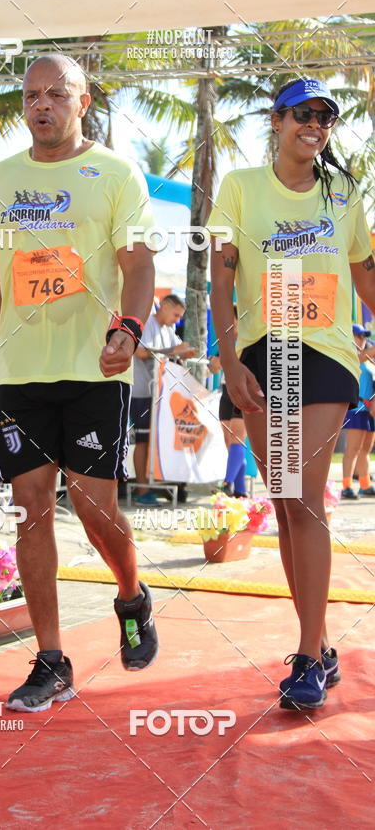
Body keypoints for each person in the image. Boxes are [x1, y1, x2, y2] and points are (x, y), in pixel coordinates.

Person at [0, 53, 159, 712]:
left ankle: (131, 594)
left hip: (92, 368)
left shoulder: (116, 173)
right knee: (31, 511)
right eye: (31, 96)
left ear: (82, 101)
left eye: (56, 95)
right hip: (22, 375)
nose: (41, 106)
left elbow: (136, 262)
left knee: (98, 512)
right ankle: (51, 660)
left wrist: (127, 326)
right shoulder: (0, 179)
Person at [209, 77, 375, 711]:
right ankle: (322, 641)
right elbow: (221, 284)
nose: (315, 125)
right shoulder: (241, 187)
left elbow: (364, 275)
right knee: (284, 503)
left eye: (325, 117)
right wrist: (229, 363)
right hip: (260, 356)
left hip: (328, 355)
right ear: (275, 122)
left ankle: (307, 657)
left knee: (305, 498)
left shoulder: (347, 194)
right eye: (303, 114)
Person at [131, 294, 197, 504]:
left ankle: (151, 484)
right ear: (165, 306)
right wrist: (174, 351)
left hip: (157, 394)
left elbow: (175, 351)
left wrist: (184, 354)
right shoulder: (147, 322)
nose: (177, 320)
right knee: (142, 441)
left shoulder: (168, 329)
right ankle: (141, 490)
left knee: (153, 440)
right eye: (176, 315)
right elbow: (140, 352)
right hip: (141, 392)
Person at [208, 306, 248, 497]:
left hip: (245, 390)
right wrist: (214, 362)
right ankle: (240, 491)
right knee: (229, 441)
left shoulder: (249, 339)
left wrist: (221, 362)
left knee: (237, 438)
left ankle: (227, 483)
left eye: (232, 320)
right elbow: (215, 366)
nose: (229, 325)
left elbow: (237, 362)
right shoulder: (226, 340)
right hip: (226, 391)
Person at [341, 324, 375, 499]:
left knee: (365, 449)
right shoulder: (348, 354)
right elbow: (360, 357)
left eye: (363, 336)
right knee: (352, 449)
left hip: (369, 409)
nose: (362, 339)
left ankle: (365, 484)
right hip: (355, 409)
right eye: (359, 335)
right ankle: (346, 486)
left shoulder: (368, 359)